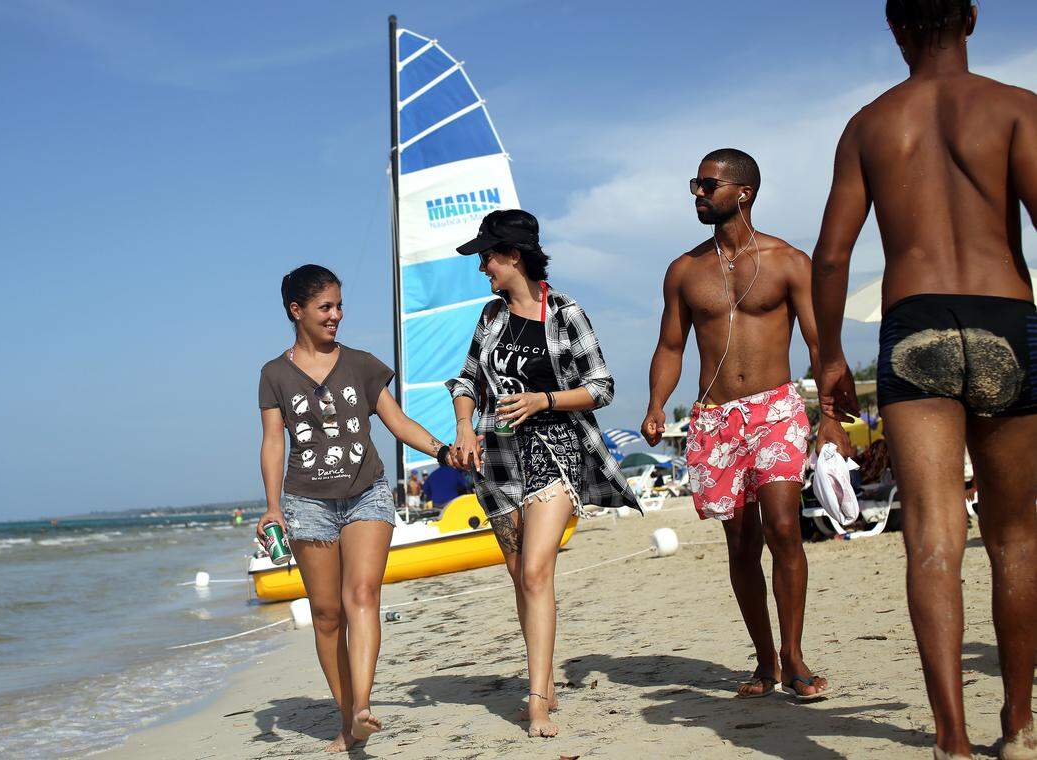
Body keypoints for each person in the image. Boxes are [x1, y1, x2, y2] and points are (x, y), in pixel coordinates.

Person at [811, 3, 1037, 756]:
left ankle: (951, 740)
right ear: (971, 16)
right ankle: (1018, 725)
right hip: (1006, 313)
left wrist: (832, 358)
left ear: (893, 25)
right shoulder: (1014, 109)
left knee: (933, 537)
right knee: (1014, 537)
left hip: (915, 325)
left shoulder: (872, 125)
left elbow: (833, 257)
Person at [641, 149, 833, 702]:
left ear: (741, 192)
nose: (698, 195)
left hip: (776, 408)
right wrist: (657, 404)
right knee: (742, 544)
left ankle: (794, 656)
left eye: (707, 185)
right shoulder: (684, 270)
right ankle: (765, 659)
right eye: (695, 185)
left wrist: (833, 421)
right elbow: (670, 345)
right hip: (715, 418)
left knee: (783, 526)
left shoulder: (789, 261)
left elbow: (821, 346)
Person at [448, 209, 640, 739]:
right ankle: (545, 676)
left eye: (487, 256)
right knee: (521, 576)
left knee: (535, 571)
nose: (482, 265)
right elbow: (466, 381)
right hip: (497, 462)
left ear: (514, 256)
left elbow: (601, 386)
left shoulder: (566, 313)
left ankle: (535, 699)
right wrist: (465, 428)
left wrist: (543, 400)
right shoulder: (490, 317)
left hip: (555, 453)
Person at [256, 264, 463, 752]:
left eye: (339, 306)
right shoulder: (274, 375)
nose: (336, 316)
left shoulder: (362, 364)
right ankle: (347, 717)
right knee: (328, 615)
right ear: (297, 310)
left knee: (363, 594)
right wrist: (272, 507)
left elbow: (398, 422)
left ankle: (363, 707)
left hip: (367, 492)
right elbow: (271, 444)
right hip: (306, 503)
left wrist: (442, 450)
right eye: (325, 307)